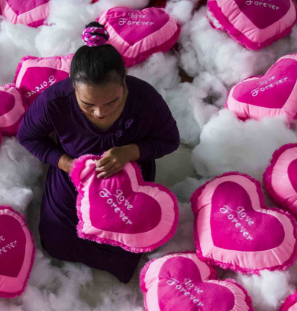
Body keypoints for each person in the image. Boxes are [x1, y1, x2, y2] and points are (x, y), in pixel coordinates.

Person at [17, 22, 180, 283]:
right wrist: (67, 164)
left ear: (124, 83)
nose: (100, 112)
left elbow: (170, 140)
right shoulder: (54, 102)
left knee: (127, 243)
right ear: (73, 89)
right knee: (59, 239)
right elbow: (28, 137)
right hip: (74, 177)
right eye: (87, 104)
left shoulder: (145, 99)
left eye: (112, 102)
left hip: (130, 179)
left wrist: (129, 152)